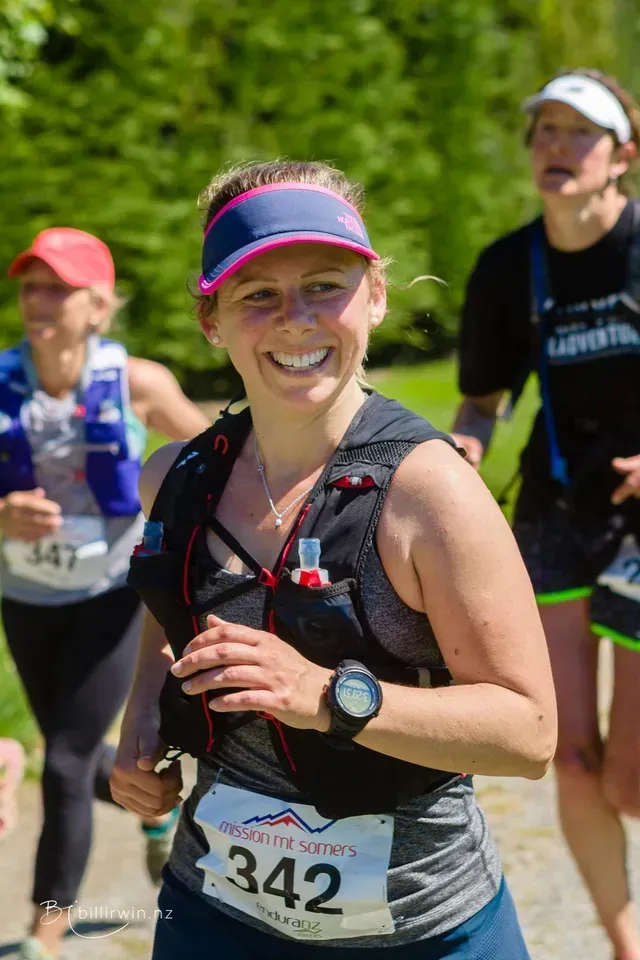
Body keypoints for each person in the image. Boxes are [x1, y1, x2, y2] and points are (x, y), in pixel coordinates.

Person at [111, 160, 556, 960]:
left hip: (421, 933)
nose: (296, 319)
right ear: (211, 319)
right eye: (258, 295)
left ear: (376, 296)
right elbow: (167, 589)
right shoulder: (177, 477)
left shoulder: (429, 495)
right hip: (213, 915)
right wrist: (142, 708)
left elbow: (528, 733)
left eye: (325, 285)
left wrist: (325, 695)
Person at [452, 70, 640, 960]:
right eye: (544, 132)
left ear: (622, 157)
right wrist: (463, 455)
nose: (556, 147)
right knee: (568, 752)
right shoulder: (506, 268)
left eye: (579, 133)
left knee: (634, 781)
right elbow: (483, 401)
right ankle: (623, 939)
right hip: (557, 514)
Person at [0, 227, 211, 960]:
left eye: (58, 287)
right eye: (31, 285)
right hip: (26, 597)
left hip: (114, 599)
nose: (39, 301)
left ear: (99, 305)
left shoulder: (136, 383)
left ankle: (44, 931)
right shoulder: (2, 382)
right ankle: (155, 822)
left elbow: (219, 460)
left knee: (60, 762)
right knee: (83, 759)